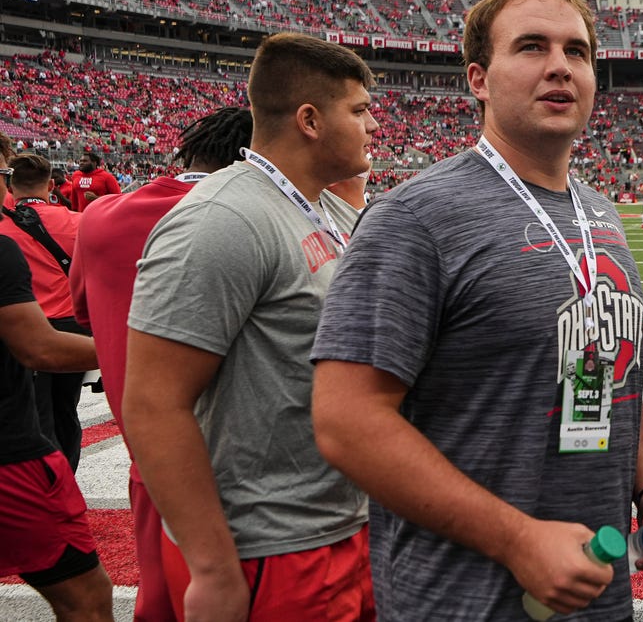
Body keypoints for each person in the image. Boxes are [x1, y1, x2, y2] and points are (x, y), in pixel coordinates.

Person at [310, 0, 643, 621]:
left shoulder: (597, 213)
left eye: (577, 52)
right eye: (531, 47)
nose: (559, 68)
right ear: (478, 78)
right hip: (462, 601)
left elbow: (607, 371)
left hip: (593, 593)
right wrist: (518, 539)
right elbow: (346, 422)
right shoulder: (416, 217)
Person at [122, 34, 377, 622]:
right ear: (310, 120)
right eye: (359, 111)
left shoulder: (324, 205)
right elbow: (154, 402)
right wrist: (212, 568)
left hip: (342, 525)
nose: (372, 126)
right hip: (270, 546)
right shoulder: (223, 219)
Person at [69, 107, 253, 622]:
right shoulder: (255, 215)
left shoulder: (102, 215)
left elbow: (83, 310)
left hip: (150, 458)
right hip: (251, 463)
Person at [0, 233, 112, 621]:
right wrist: (129, 349)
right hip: (10, 455)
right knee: (86, 599)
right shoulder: (67, 223)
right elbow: (39, 347)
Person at [0, 153, 87, 470]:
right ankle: (68, 479)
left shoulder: (3, 228)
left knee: (35, 417)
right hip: (71, 328)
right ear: (51, 184)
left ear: (10, 185)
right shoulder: (77, 221)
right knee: (66, 410)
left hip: (23, 328)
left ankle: (50, 484)